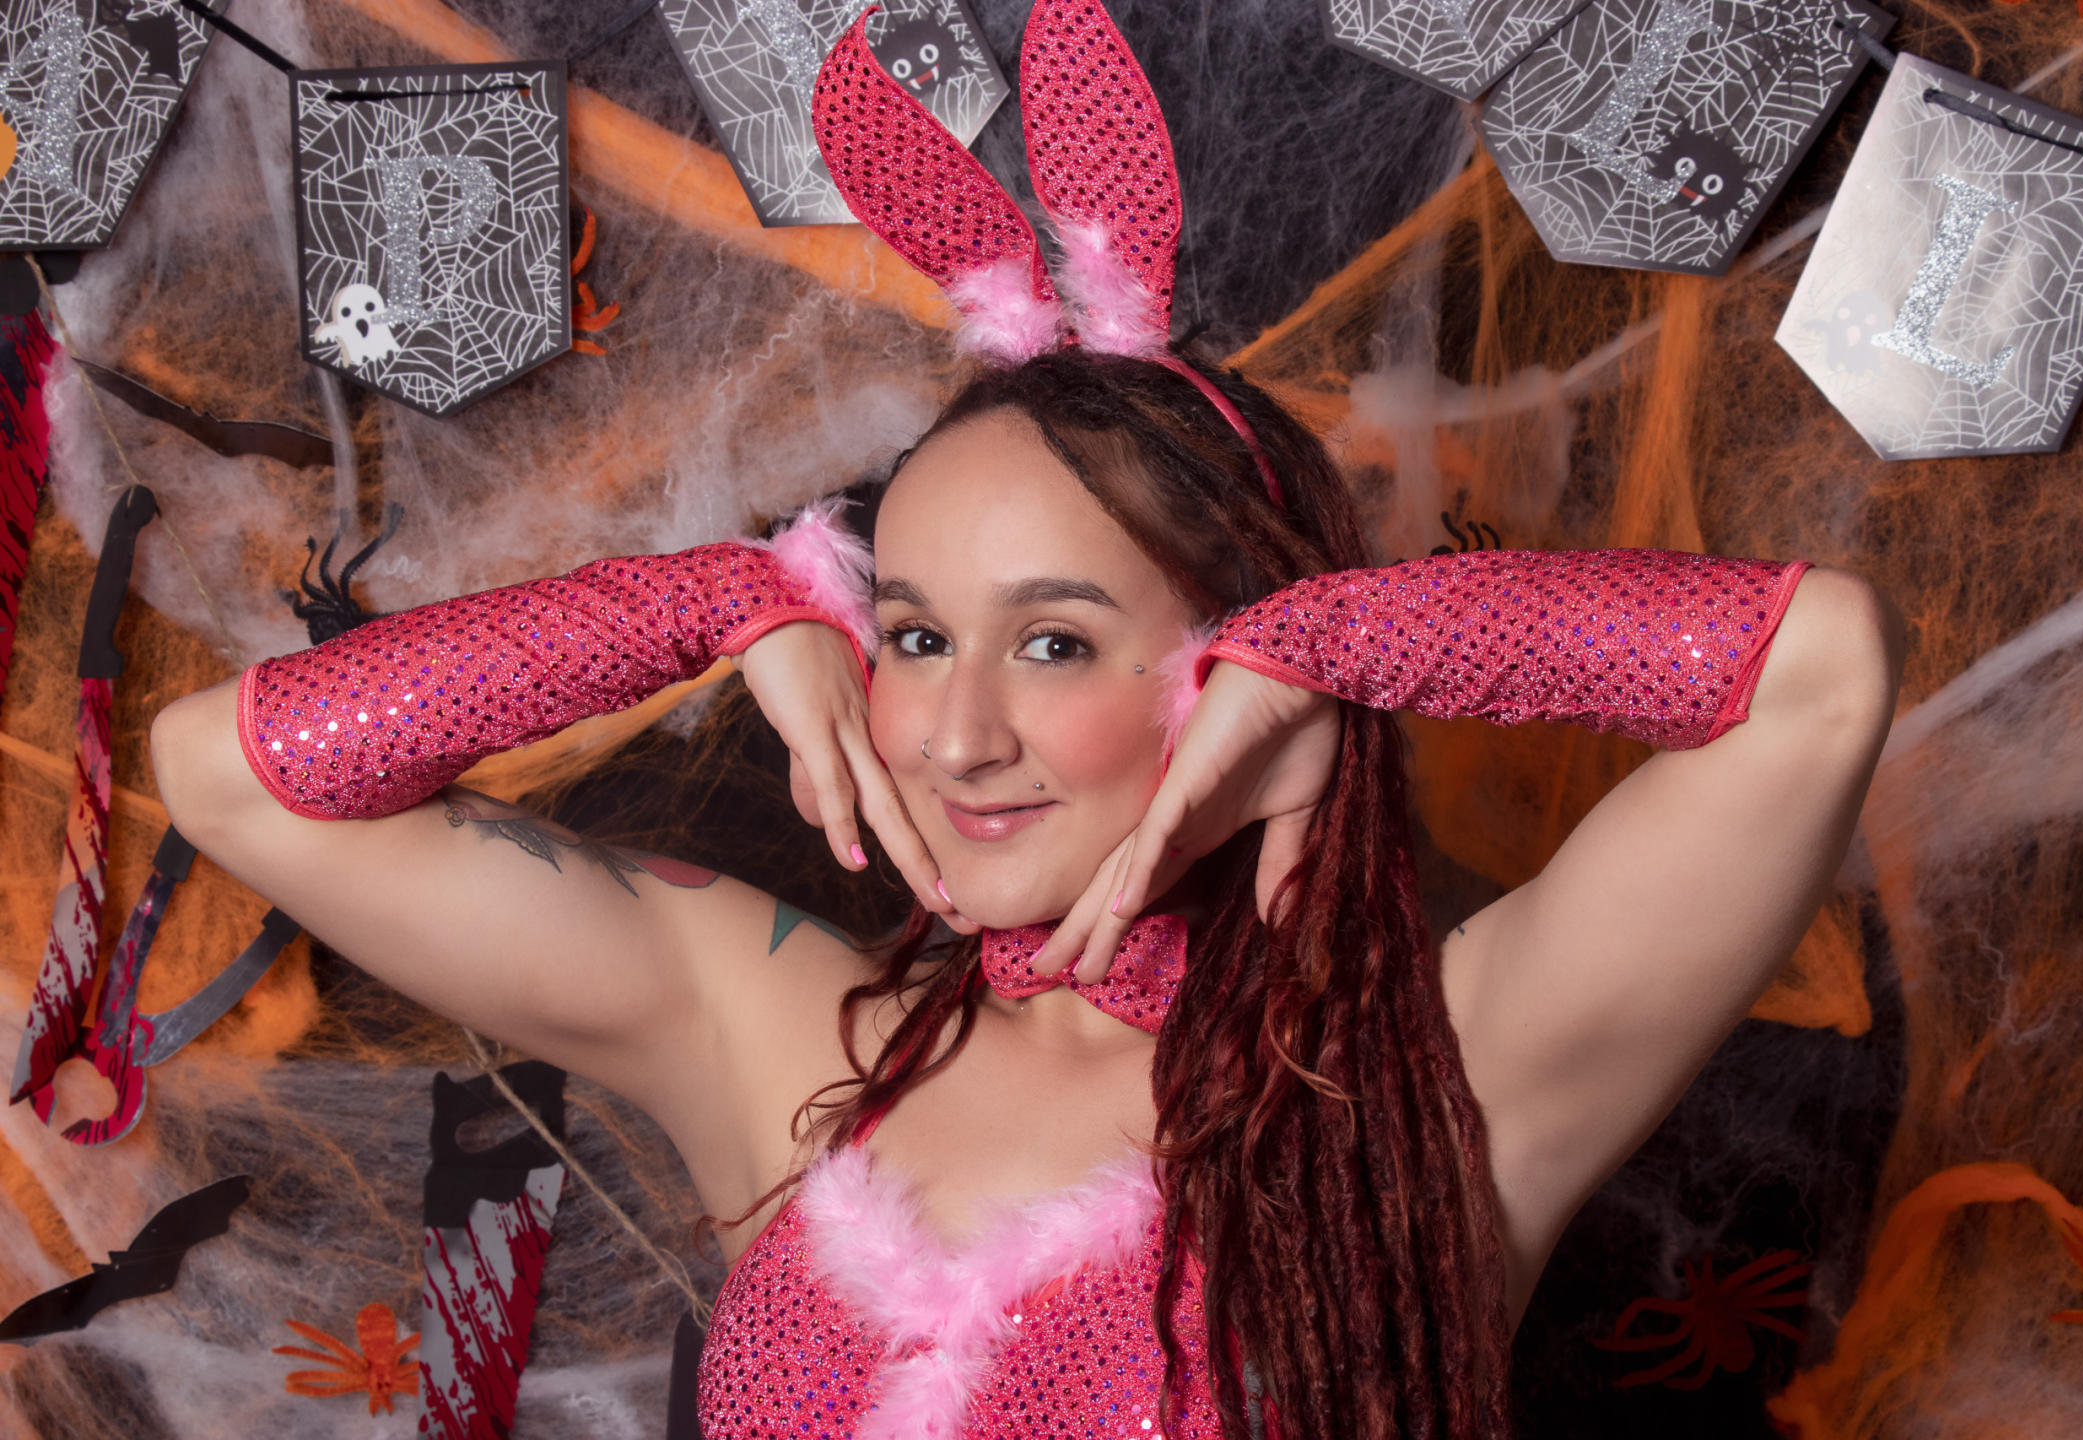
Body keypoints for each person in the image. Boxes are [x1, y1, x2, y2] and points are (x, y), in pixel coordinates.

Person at [149, 6, 1904, 1438]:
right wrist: (713, 605)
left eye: (1056, 643)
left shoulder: (1441, 1071)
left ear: (1225, 672)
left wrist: (1344, 645)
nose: (953, 732)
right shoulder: (783, 1035)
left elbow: (1818, 679)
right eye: (915, 633)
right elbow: (230, 775)